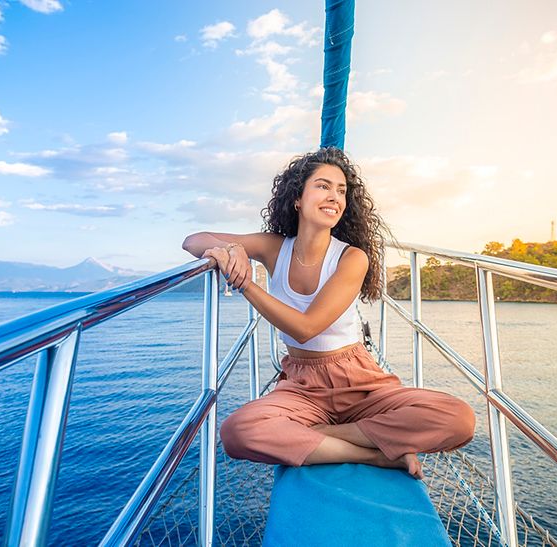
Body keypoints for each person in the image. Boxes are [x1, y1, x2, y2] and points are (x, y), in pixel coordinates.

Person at [181, 148, 474, 479]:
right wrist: (231, 249)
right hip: (302, 385)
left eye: (341, 190)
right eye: (323, 186)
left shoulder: (352, 258)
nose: (335, 196)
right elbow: (193, 240)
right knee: (237, 433)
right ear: (297, 198)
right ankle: (374, 456)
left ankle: (319, 436)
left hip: (360, 382)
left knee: (458, 418)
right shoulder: (274, 247)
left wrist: (246, 284)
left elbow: (307, 328)